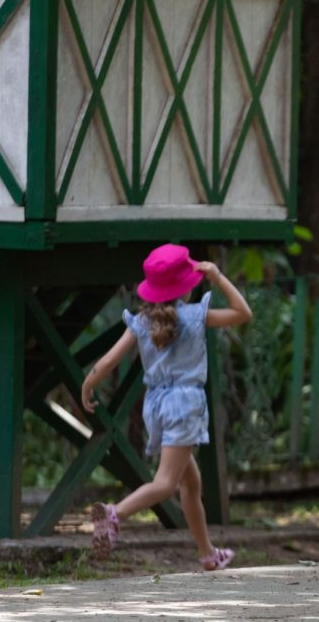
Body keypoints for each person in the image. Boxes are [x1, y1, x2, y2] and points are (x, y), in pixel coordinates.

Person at [81, 243, 252, 571]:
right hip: (185, 405)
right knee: (166, 483)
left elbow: (107, 362)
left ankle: (207, 554)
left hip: (157, 405)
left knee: (191, 484)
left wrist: (88, 383)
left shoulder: (142, 322)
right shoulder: (194, 317)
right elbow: (243, 313)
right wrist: (217, 277)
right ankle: (115, 514)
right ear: (184, 285)